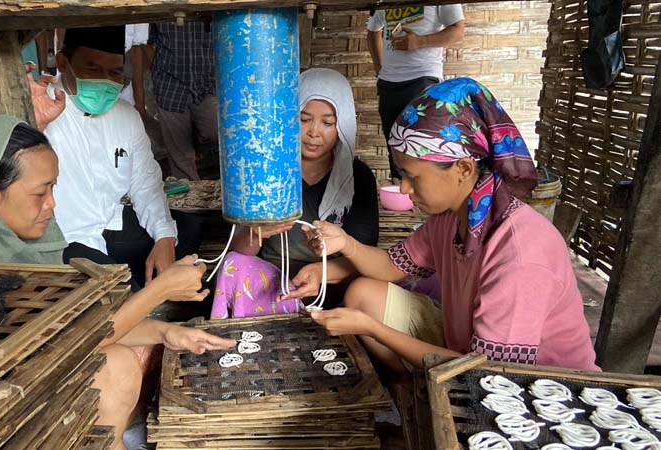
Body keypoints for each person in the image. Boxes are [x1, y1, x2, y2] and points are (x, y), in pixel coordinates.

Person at [0, 115, 235, 450]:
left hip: (32, 388)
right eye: (40, 192)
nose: (52, 204)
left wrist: (166, 332)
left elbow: (75, 325)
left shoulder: (24, 250)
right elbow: (64, 342)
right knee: (114, 363)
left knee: (119, 362)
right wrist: (159, 290)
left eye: (54, 188)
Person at [305, 78, 598, 371]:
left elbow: (489, 373)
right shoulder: (452, 219)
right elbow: (390, 266)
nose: (404, 188)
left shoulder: (519, 251)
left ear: (463, 169)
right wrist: (346, 243)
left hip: (536, 387)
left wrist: (373, 328)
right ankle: (410, 396)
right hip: (470, 351)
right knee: (364, 293)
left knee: (372, 316)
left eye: (413, 177)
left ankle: (423, 399)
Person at [27, 26, 202, 288]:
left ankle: (140, 288)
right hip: (63, 238)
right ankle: (137, 294)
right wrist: (33, 125)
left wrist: (165, 238)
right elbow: (3, 173)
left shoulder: (125, 115)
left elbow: (145, 183)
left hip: (109, 225)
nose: (105, 81)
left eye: (115, 73)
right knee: (114, 288)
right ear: (63, 63)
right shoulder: (34, 105)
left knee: (187, 230)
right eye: (93, 70)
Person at [210, 68, 379, 319]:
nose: (314, 132)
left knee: (366, 290)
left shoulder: (358, 178)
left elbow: (364, 256)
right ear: (287, 117)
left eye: (328, 123)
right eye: (303, 119)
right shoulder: (265, 170)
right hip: (269, 280)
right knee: (233, 265)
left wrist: (319, 272)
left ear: (342, 125)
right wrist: (257, 232)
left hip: (329, 280)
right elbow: (240, 251)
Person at [366, 5, 465, 179]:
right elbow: (373, 31)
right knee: (395, 145)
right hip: (389, 82)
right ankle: (402, 195)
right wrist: (379, 70)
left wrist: (421, 41)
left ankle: (426, 198)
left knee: (421, 144)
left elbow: (457, 30)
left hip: (423, 77)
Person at [149, 20, 218, 180]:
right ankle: (192, 200)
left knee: (218, 132)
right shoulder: (161, 6)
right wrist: (158, 70)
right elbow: (146, 44)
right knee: (181, 157)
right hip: (170, 87)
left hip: (207, 84)